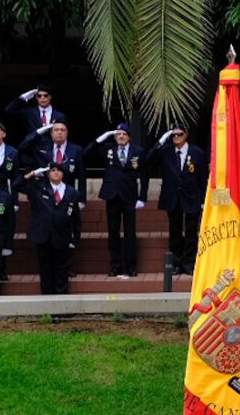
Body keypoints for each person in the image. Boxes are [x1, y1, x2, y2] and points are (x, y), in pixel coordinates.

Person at [90, 124, 146, 278]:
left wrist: (142, 197)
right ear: (114, 137)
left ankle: (131, 266)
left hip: (129, 196)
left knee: (130, 233)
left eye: (124, 134)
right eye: (118, 134)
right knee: (113, 232)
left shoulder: (138, 151)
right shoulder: (108, 149)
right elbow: (87, 152)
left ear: (129, 137)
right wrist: (103, 136)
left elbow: (144, 175)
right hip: (112, 195)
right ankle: (116, 266)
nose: (121, 136)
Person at [151, 126, 206, 274]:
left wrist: (203, 200)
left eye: (179, 134)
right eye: (173, 135)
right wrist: (162, 139)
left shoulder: (197, 152)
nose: (176, 137)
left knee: (191, 232)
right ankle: (176, 263)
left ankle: (189, 263)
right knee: (174, 232)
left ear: (186, 135)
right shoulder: (166, 151)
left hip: (192, 197)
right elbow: (149, 158)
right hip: (173, 197)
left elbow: (202, 178)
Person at [24, 162, 83, 295]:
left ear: (63, 174)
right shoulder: (39, 188)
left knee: (62, 269)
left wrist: (75, 239)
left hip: (62, 236)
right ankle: (47, 300)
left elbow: (76, 219)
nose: (56, 172)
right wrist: (32, 174)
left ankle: (61, 301)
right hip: (43, 236)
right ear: (47, 174)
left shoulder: (72, 192)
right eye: (52, 170)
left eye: (59, 170)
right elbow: (17, 185)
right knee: (45, 270)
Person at [30, 122, 85, 190]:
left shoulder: (76, 150)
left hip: (68, 192)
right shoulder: (42, 149)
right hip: (46, 191)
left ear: (67, 133)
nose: (59, 132)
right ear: (51, 133)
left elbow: (81, 177)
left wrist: (81, 196)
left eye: (62, 130)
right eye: (56, 130)